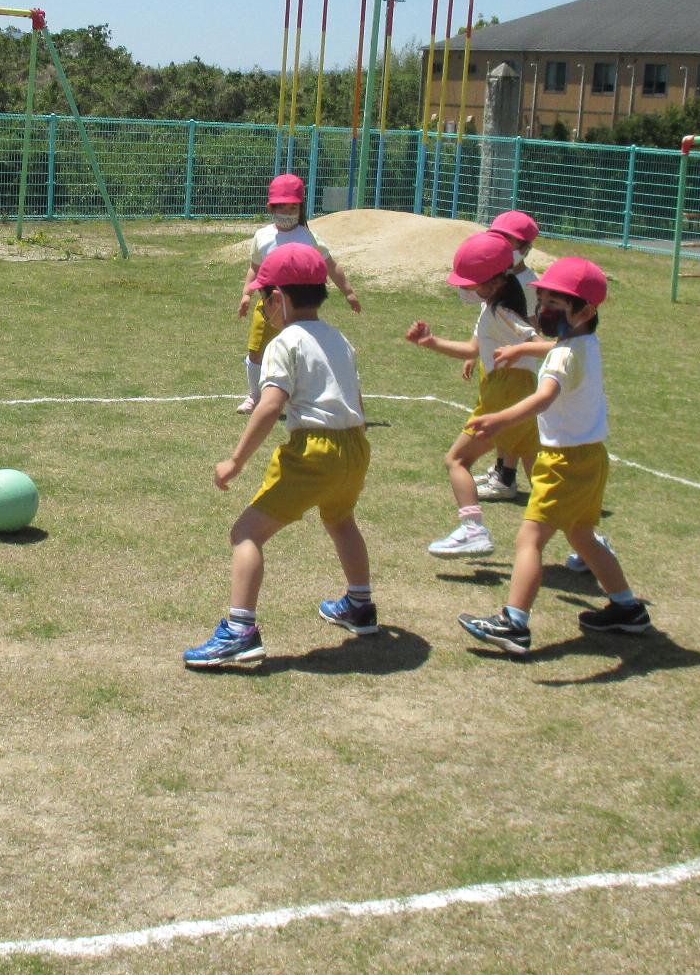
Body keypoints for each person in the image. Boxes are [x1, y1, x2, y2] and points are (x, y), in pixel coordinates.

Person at [188, 243, 374, 669]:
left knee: (246, 534)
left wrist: (235, 461)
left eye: (262, 297)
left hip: (314, 450)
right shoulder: (340, 338)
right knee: (341, 519)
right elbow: (357, 400)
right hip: (354, 445)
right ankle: (360, 605)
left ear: (279, 298)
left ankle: (239, 631)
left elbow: (270, 405)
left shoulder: (283, 342)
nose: (261, 305)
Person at [456, 257, 650, 656]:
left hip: (564, 462)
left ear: (585, 311)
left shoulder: (562, 355)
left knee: (530, 540)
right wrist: (527, 345)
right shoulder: (582, 343)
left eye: (556, 304)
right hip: (591, 458)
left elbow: (544, 398)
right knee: (582, 534)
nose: (544, 309)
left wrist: (498, 420)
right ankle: (627, 608)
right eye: (541, 298)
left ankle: (514, 622)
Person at [406, 230, 541, 558]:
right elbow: (472, 348)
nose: (466, 288)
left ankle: (472, 529)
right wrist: (432, 342)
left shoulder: (501, 312)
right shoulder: (494, 307)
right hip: (522, 395)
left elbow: (536, 343)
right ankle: (584, 534)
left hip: (504, 395)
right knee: (541, 476)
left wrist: (520, 352)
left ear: (495, 282)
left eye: (472, 282)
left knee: (456, 460)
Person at [236, 173, 359, 413]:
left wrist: (349, 292)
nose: (286, 212)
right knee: (256, 351)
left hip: (300, 309)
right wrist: (246, 295)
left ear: (300, 208)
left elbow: (330, 265)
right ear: (271, 207)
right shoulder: (262, 236)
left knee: (300, 351)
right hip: (269, 306)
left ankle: (303, 395)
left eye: (292, 207)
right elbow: (255, 267)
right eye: (280, 207)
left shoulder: (307, 237)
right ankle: (255, 395)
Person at [471, 210, 541, 502]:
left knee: (510, 424)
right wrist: (471, 354)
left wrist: (519, 348)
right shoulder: (497, 276)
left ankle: (506, 478)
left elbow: (532, 325)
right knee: (499, 419)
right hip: (494, 363)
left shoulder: (527, 282)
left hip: (515, 367)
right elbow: (484, 320)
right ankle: (501, 470)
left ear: (524, 248)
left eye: (506, 241)